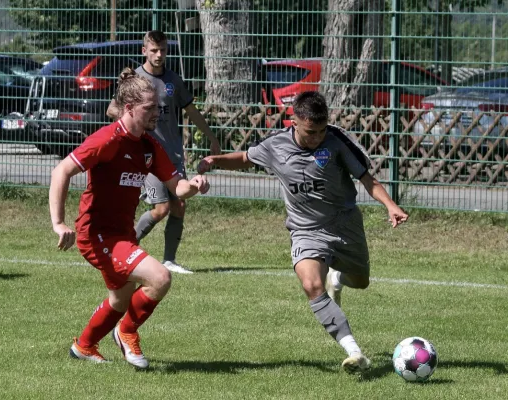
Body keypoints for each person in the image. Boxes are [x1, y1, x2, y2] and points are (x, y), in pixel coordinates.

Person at [197, 91, 409, 374]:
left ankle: (339, 278)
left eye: (321, 131)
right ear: (294, 121)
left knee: (361, 281)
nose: (317, 137)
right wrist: (216, 160)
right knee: (311, 286)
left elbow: (366, 178)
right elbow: (247, 158)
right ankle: (355, 353)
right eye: (311, 132)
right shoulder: (277, 145)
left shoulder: (336, 141)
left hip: (345, 225)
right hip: (305, 230)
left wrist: (390, 206)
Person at [49, 67, 210, 369]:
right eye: (150, 109)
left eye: (159, 108)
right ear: (130, 108)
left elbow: (178, 187)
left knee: (120, 300)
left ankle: (83, 346)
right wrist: (59, 223)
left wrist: (195, 186)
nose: (157, 114)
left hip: (122, 234)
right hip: (96, 235)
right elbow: (62, 171)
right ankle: (126, 331)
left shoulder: (148, 146)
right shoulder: (108, 140)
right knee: (160, 277)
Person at [107, 30, 221, 275]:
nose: (159, 55)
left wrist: (212, 138)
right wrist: (136, 127)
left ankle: (169, 260)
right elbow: (112, 111)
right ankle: (124, 250)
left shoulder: (173, 80)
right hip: (147, 156)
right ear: (144, 51)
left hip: (172, 154)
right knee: (161, 209)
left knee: (179, 206)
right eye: (154, 50)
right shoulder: (135, 79)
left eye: (163, 50)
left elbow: (191, 111)